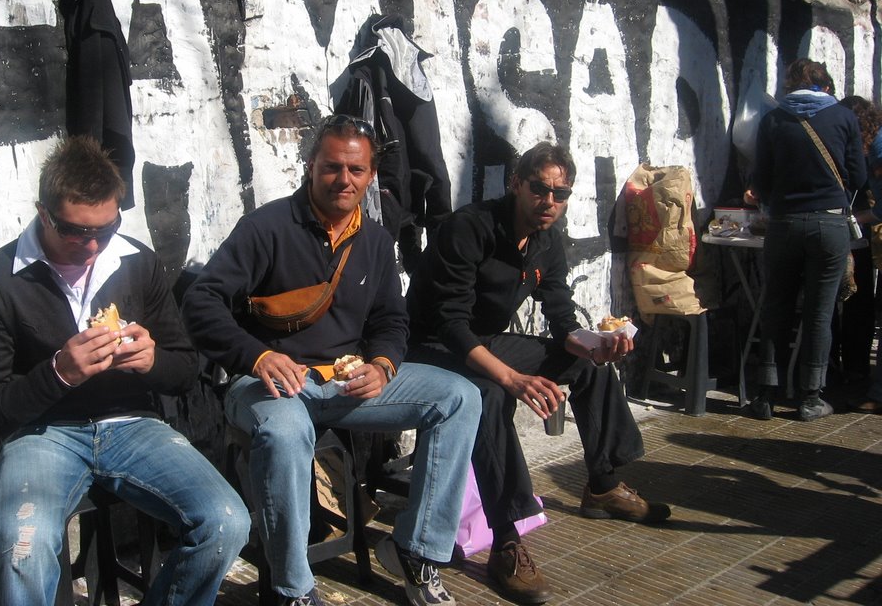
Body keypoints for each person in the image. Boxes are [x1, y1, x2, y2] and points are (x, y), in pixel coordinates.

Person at [180, 114, 481, 606]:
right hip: (267, 387)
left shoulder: (378, 243)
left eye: (357, 170)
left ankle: (416, 550)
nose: (344, 180)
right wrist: (257, 357)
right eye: (332, 168)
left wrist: (382, 365)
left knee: (458, 397)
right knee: (284, 431)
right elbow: (202, 303)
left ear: (371, 175)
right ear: (310, 167)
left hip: (345, 385)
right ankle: (291, 589)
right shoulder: (266, 228)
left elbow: (391, 321)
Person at [0, 136, 249, 606]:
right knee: (21, 550)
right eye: (75, 231)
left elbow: (184, 370)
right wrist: (57, 374)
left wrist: (153, 362)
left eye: (106, 228)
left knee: (226, 521)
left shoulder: (137, 263)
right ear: (43, 212)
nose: (91, 246)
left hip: (132, 425)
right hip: (41, 432)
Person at [405, 141, 669, 606]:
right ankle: (506, 541)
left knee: (589, 368)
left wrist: (594, 344)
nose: (550, 202)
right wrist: (512, 378)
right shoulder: (471, 228)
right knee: (486, 394)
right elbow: (449, 324)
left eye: (560, 193)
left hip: (482, 342)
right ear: (515, 184)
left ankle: (603, 486)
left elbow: (561, 316)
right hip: (428, 348)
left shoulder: (547, 241)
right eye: (539, 189)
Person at [745, 58, 866, 421]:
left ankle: (765, 395)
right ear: (824, 85)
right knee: (819, 312)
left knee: (775, 306)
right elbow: (859, 177)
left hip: (783, 225)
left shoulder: (773, 120)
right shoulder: (844, 118)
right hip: (829, 227)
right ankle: (810, 397)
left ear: (789, 86)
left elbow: (760, 180)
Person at [835, 97, 882, 384]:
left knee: (860, 301)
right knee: (862, 302)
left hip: (861, 232)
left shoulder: (875, 151)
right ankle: (857, 370)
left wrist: (859, 218)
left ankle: (859, 376)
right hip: (861, 235)